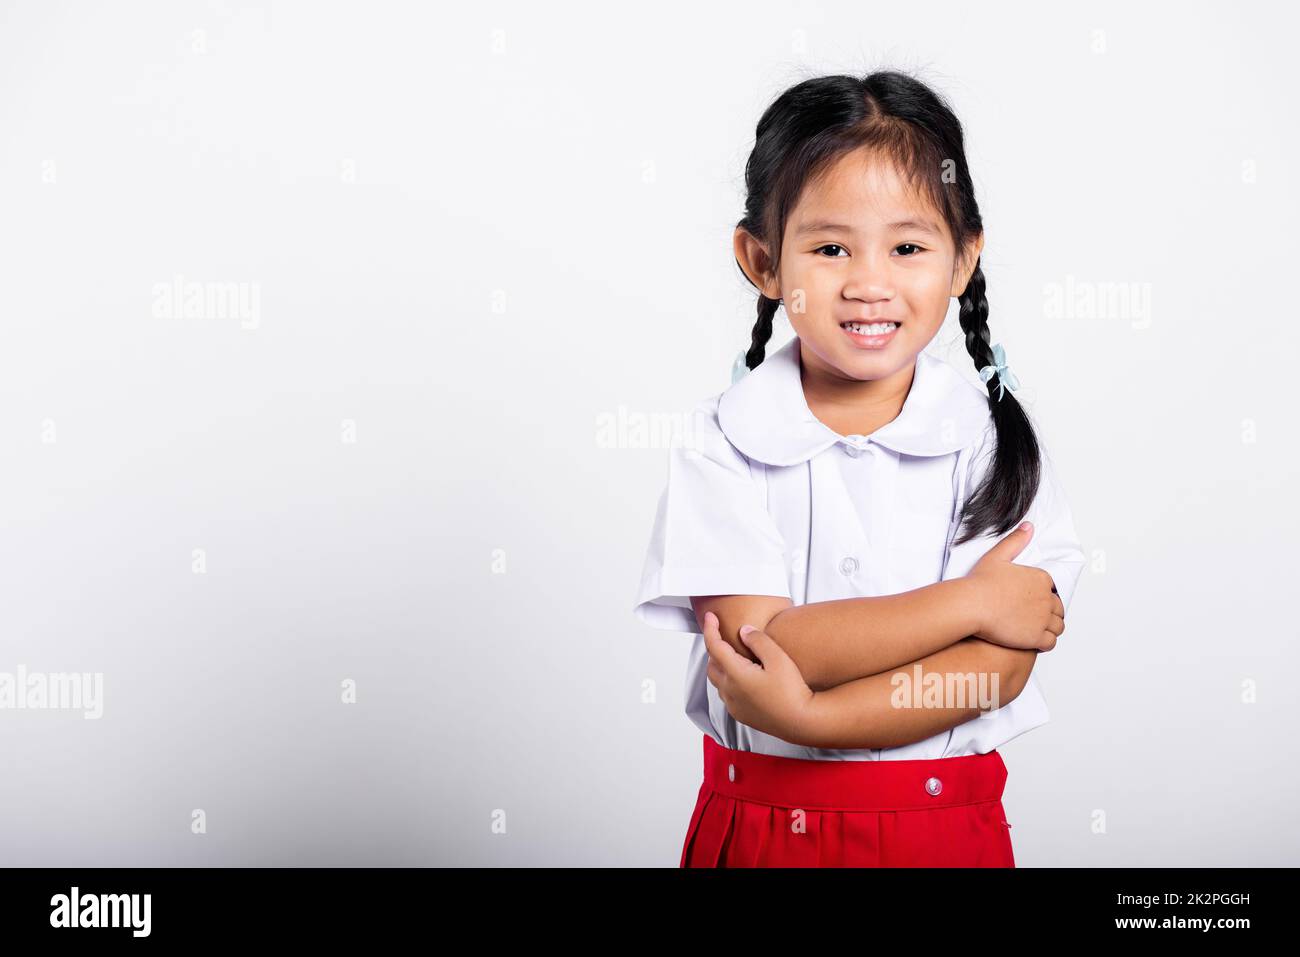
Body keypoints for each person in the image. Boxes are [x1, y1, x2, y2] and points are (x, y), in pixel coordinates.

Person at [631, 70, 1086, 867]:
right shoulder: (722, 441)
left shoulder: (992, 442)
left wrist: (808, 715)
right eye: (831, 247)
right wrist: (972, 602)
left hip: (943, 836)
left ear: (963, 259)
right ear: (763, 261)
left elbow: (988, 678)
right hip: (763, 832)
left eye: (908, 247)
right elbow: (769, 651)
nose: (869, 282)